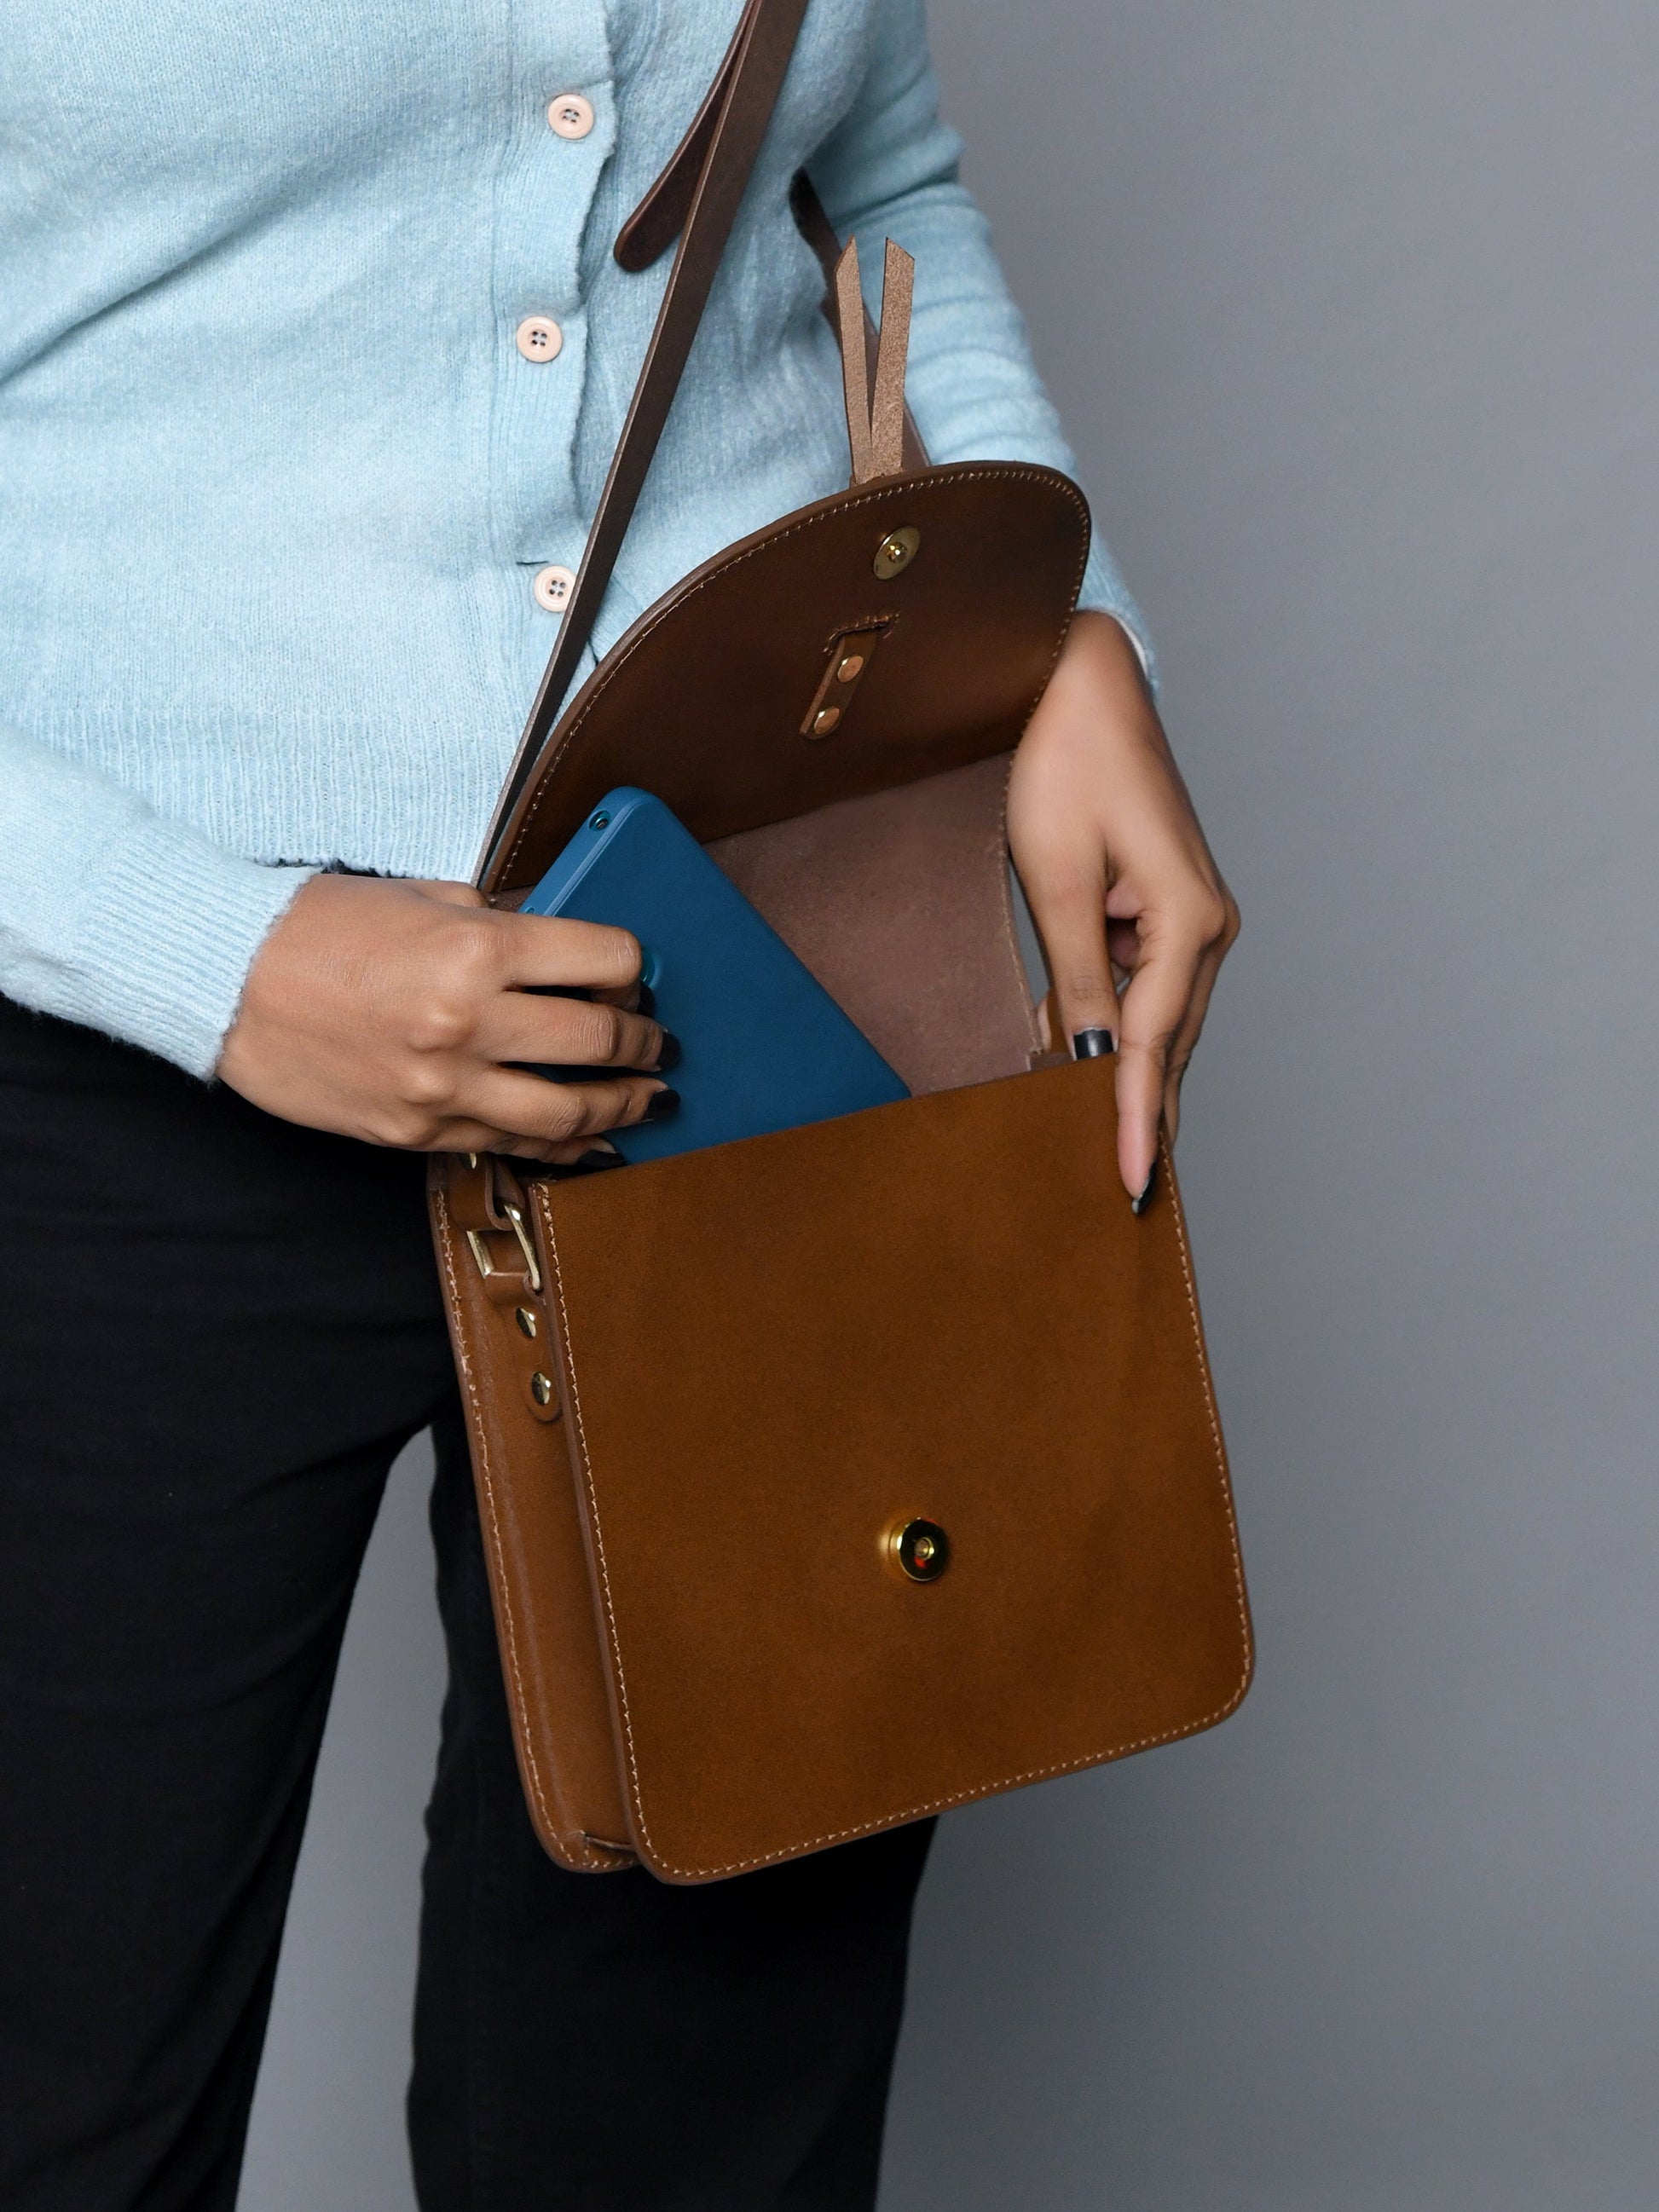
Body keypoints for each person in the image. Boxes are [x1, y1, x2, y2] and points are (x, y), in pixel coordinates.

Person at [0, 1, 1238, 2204]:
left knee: (696, 2128)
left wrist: (1064, 632)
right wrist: (209, 953)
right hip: (92, 1057)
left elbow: (881, 176)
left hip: (757, 966)